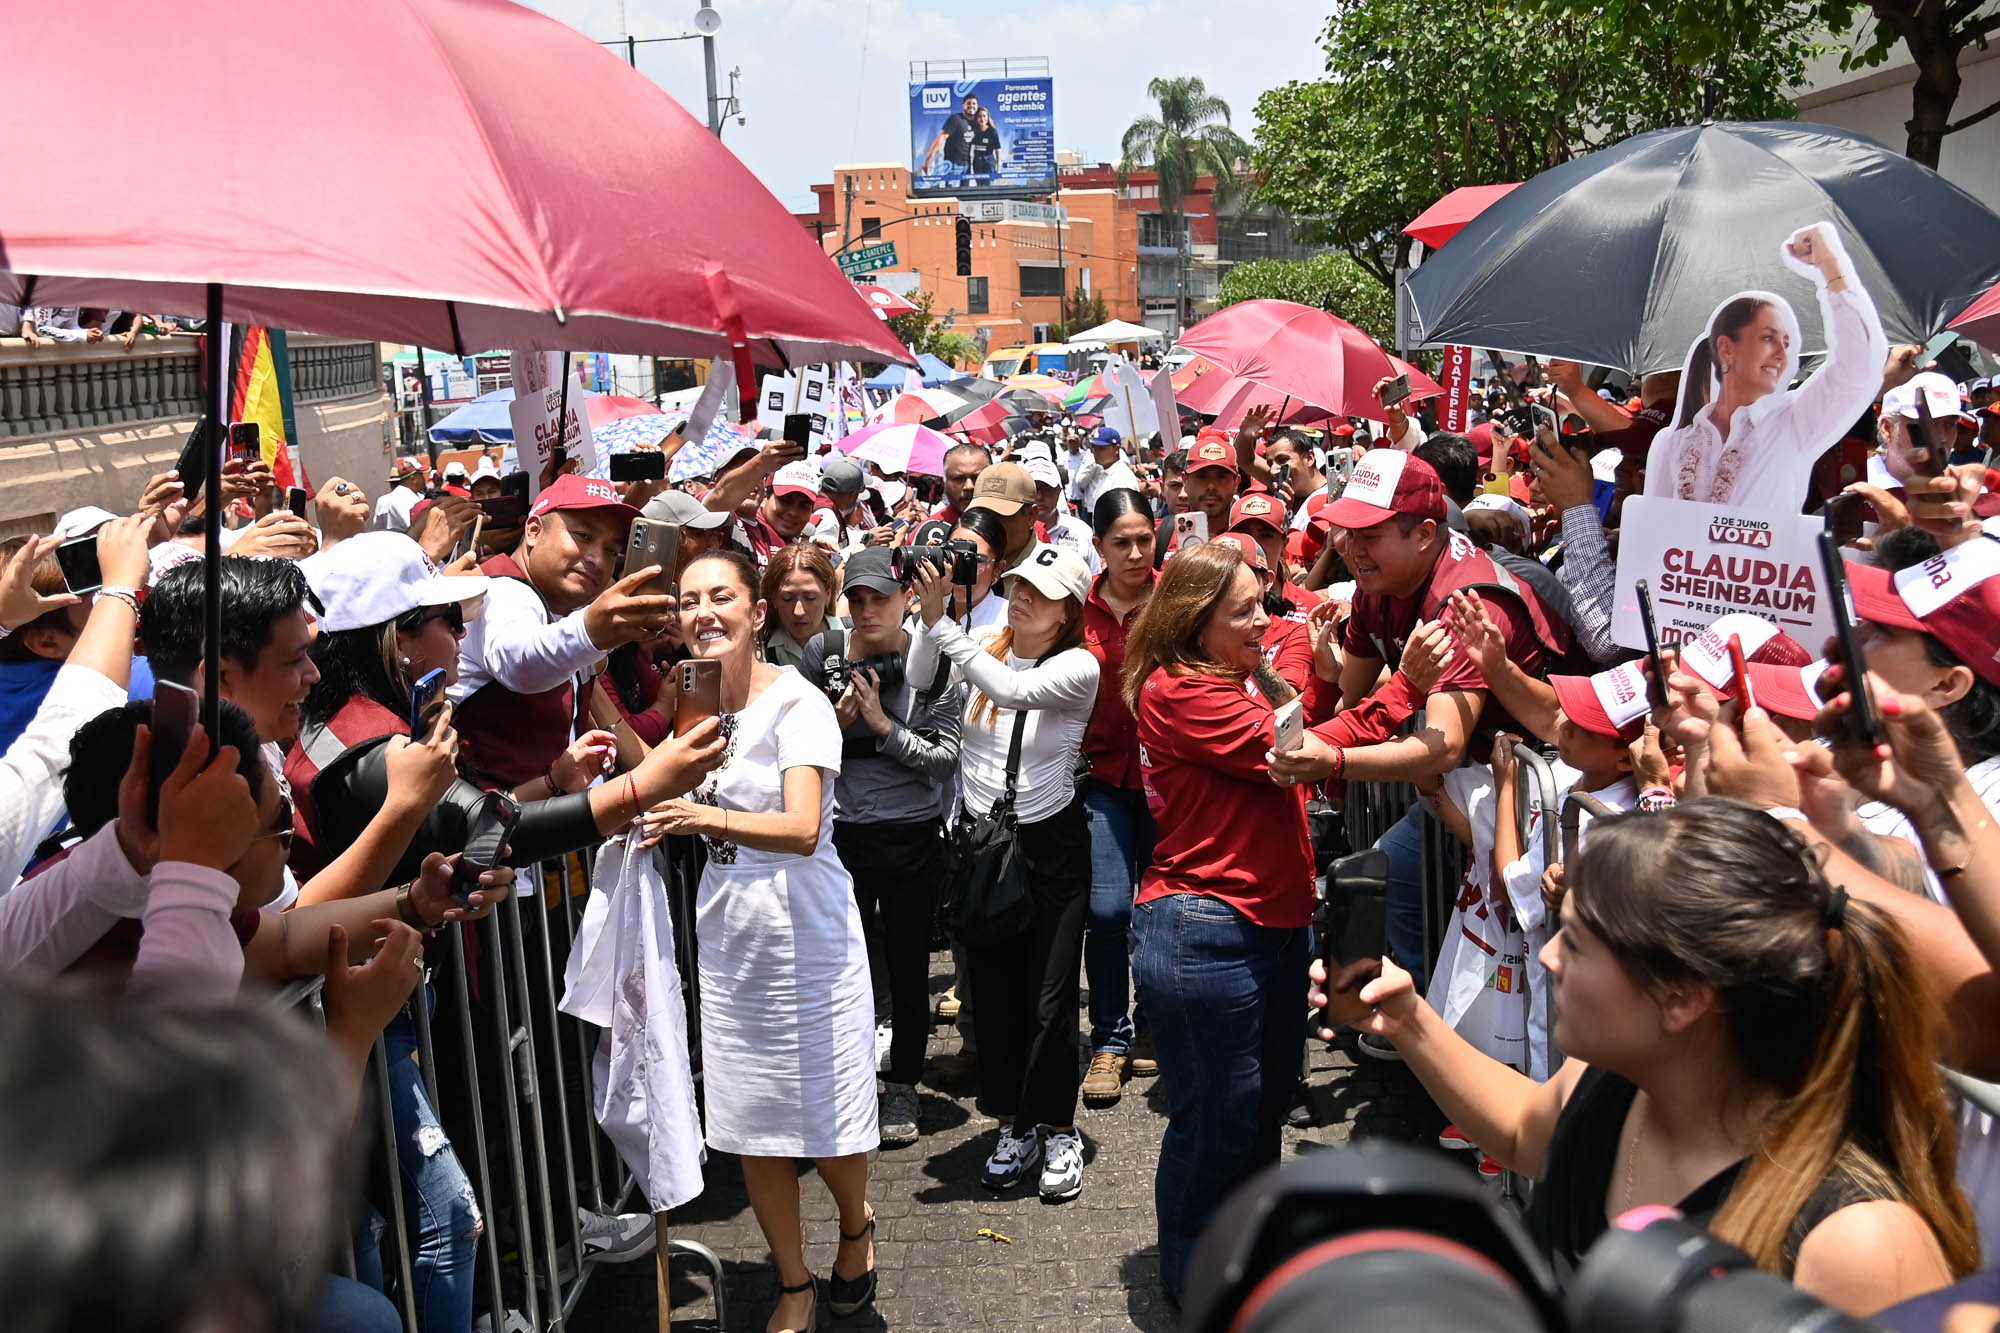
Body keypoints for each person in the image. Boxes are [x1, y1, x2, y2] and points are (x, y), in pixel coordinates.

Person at [1315, 798, 1978, 1316]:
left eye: (1573, 943)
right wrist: (1409, 1020)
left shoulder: (1861, 1244)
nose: (1547, 957)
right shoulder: (1620, 1081)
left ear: (1680, 997)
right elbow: (1525, 1129)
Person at [1124, 540, 1449, 1303]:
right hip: (1204, 930)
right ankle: (1197, 1288)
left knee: (1264, 1109)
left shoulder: (1236, 675)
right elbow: (1298, 751)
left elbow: (1300, 700)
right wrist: (1405, 686)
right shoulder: (1180, 690)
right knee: (1216, 1127)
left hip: (1267, 927)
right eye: (1242, 611)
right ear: (1193, 619)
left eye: (1263, 604)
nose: (1261, 621)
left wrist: (1307, 646)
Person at [638, 549, 879, 1333]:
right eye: (689, 600)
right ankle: (793, 1280)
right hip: (729, 931)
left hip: (806, 930)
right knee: (752, 1120)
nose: (703, 612)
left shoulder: (799, 703)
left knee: (828, 1117)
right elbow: (664, 779)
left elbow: (803, 827)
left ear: (756, 612)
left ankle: (855, 1225)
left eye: (721, 597)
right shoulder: (689, 695)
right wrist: (603, 717)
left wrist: (703, 818)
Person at [1270, 449, 1570, 1008]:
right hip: (1468, 783)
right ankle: (1424, 1026)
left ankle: (1482, 1063)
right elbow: (1357, 703)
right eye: (1346, 532)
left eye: (1370, 533)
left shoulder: (1466, 602)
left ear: (1426, 534)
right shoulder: (1373, 586)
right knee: (1392, 884)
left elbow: (1442, 746)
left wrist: (1333, 761)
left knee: (1523, 952)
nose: (1352, 548)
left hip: (1533, 793)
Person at [914, 543, 1099, 1202]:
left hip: (1050, 849)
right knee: (994, 997)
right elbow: (919, 678)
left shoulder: (1081, 664)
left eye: (1040, 593)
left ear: (1069, 609)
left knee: (1049, 1001)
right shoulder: (986, 640)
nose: (1020, 597)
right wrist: (927, 618)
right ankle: (1015, 1123)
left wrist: (942, 626)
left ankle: (1060, 1127)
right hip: (983, 847)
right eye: (1018, 584)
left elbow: (1015, 691)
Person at [800, 548, 966, 1147]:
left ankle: (903, 1088)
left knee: (906, 966)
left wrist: (884, 729)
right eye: (858, 600)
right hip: (842, 838)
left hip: (913, 838)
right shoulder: (825, 655)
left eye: (881, 599)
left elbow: (946, 762)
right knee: (843, 967)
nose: (868, 611)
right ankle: (846, 1081)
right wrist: (834, 723)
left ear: (907, 600)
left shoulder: (937, 664)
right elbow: (798, 751)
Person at [450, 473, 677, 787]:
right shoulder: (501, 590)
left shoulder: (560, 609)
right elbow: (520, 662)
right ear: (533, 531)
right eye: (583, 536)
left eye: (612, 551)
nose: (598, 559)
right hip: (497, 828)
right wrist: (591, 633)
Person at [1645, 223, 1888, 507]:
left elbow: (1857, 366)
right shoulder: (1673, 444)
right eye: (1768, 339)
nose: (1781, 356)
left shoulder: (1793, 424)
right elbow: (1655, 533)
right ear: (1726, 348)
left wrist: (1831, 268)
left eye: (1786, 344)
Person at [1078, 490, 1159, 1106]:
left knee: (1162, 908)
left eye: (1144, 539)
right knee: (1108, 911)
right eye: (1120, 542)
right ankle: (1110, 1039)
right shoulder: (1073, 610)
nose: (1135, 553)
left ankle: (1154, 1023)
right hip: (1100, 781)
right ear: (1099, 546)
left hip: (1170, 783)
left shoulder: (1177, 600)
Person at [760, 542, 838, 670]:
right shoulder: (761, 653)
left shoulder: (853, 638)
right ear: (774, 599)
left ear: (828, 595)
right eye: (787, 599)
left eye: (810, 598)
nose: (798, 611)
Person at [965, 461, 1039, 568]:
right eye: (982, 515)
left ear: (1031, 516)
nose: (988, 525)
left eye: (1000, 515)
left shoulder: (1052, 572)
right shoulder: (967, 563)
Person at [919, 91, 981, 176]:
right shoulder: (956, 119)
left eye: (974, 104)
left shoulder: (976, 122)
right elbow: (941, 138)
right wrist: (928, 160)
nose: (971, 106)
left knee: (967, 190)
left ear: (977, 106)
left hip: (967, 167)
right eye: (968, 103)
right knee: (951, 190)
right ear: (963, 106)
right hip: (953, 166)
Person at [934, 443, 991, 526]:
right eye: (958, 479)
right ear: (944, 483)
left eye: (977, 477)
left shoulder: (1013, 524)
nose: (969, 486)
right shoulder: (927, 533)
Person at [375, 456, 426, 533]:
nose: (424, 479)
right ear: (414, 478)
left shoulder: (418, 496)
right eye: (421, 475)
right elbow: (412, 529)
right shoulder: (400, 500)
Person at [970, 106, 1003, 176]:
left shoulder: (992, 132)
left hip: (989, 162)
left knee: (989, 185)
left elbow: (998, 150)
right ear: (976, 118)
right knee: (979, 186)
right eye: (979, 116)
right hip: (977, 163)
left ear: (988, 117)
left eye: (984, 116)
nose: (982, 119)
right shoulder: (973, 131)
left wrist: (999, 168)